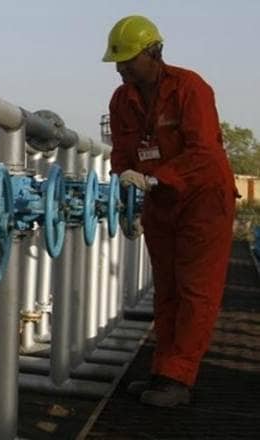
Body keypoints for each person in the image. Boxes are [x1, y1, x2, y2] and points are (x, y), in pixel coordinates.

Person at [102, 15, 236, 407]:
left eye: (129, 59)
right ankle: (163, 370)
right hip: (160, 202)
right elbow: (122, 151)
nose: (121, 68)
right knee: (167, 288)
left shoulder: (189, 88)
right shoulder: (121, 100)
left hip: (202, 201)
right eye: (118, 61)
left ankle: (179, 377)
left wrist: (155, 178)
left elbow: (203, 152)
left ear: (154, 53)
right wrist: (124, 182)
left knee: (196, 290)